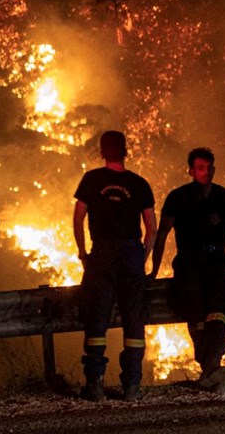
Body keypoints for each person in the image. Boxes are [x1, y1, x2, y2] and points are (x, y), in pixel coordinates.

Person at [150, 148, 225, 392]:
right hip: (188, 265)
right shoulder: (178, 198)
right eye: (201, 168)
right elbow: (161, 234)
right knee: (196, 314)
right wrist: (153, 270)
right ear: (191, 171)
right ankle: (211, 369)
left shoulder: (224, 198)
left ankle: (212, 367)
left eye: (210, 168)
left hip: (217, 263)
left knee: (218, 313)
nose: (207, 173)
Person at [73, 130, 156, 402]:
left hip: (102, 253)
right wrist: (140, 259)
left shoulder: (92, 180)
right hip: (131, 252)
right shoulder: (139, 184)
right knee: (134, 320)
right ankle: (131, 386)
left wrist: (84, 252)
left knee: (97, 317)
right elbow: (151, 230)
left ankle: (95, 385)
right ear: (126, 150)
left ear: (102, 151)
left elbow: (78, 219)